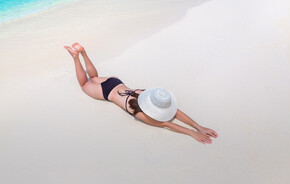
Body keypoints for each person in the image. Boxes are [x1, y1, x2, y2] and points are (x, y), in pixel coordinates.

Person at [64, 42, 218, 144]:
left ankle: (83, 52)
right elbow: (166, 122)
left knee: (95, 78)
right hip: (106, 91)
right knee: (85, 84)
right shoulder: (139, 113)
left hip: (116, 81)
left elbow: (175, 113)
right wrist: (193, 132)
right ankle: (76, 57)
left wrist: (200, 127)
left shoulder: (148, 93)